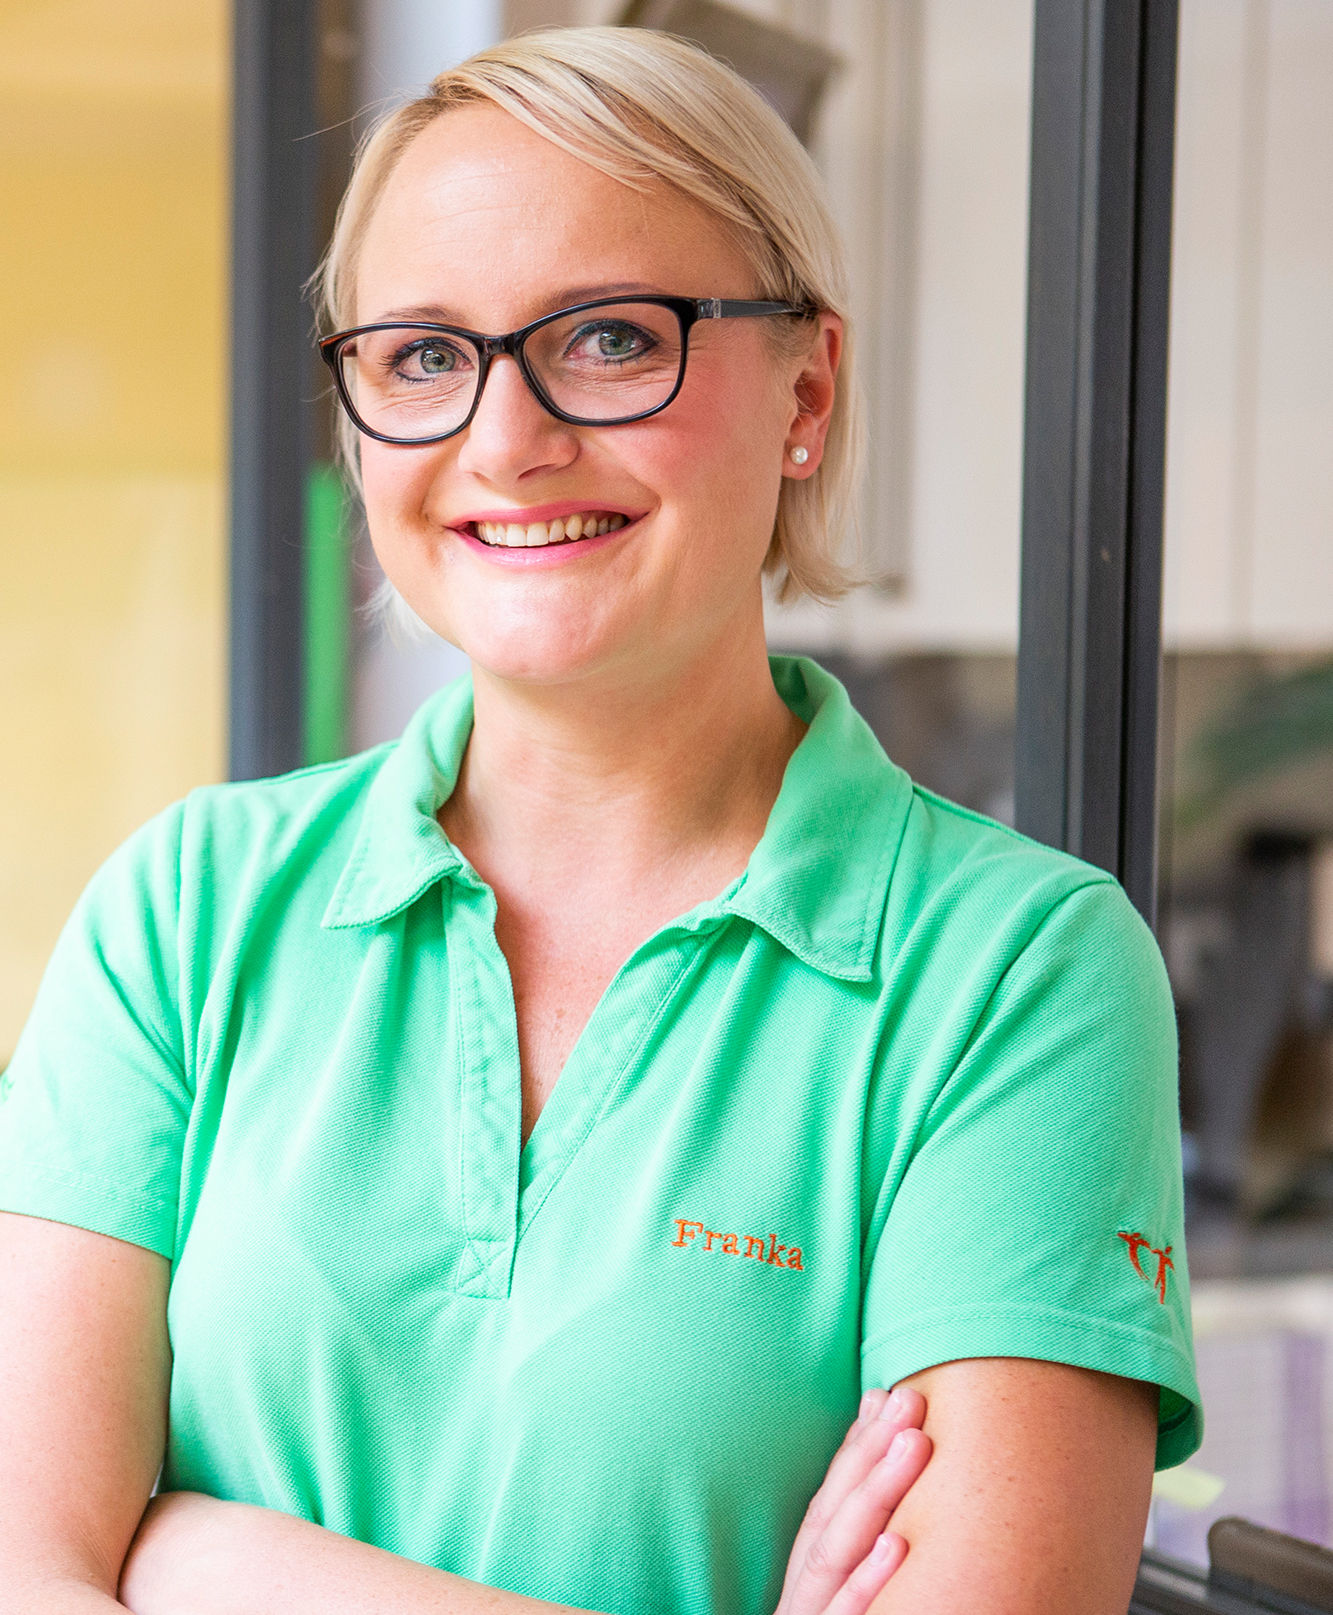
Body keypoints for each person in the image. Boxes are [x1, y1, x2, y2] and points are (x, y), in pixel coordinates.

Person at [0, 26, 1200, 1615]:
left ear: (805, 390)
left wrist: (209, 1560)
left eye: (613, 338)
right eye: (421, 357)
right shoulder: (187, 912)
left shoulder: (1016, 975)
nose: (505, 439)